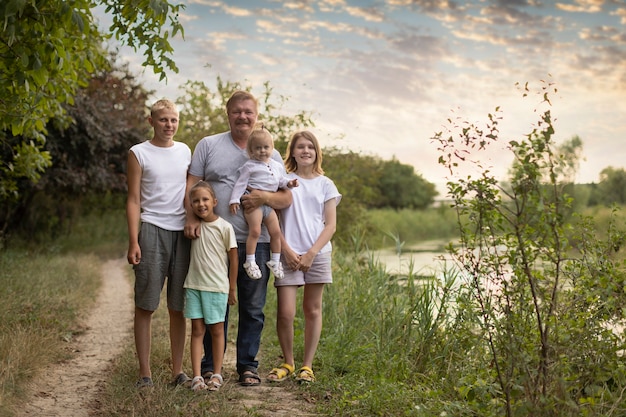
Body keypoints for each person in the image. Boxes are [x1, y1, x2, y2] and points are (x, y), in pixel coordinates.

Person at [184, 90, 293, 387]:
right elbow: (192, 183)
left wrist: (262, 197)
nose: (243, 116)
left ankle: (247, 366)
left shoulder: (270, 152)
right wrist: (192, 217)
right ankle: (209, 365)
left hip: (256, 244)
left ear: (256, 116)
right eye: (237, 111)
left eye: (249, 111)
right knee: (214, 304)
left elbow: (285, 198)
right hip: (214, 241)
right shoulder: (209, 145)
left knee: (253, 307)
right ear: (228, 113)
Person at [126, 99, 192, 388]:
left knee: (178, 307)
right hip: (151, 229)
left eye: (174, 120)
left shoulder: (185, 151)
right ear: (152, 121)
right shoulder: (138, 153)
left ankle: (178, 371)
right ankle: (145, 373)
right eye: (164, 120)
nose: (169, 125)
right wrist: (133, 240)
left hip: (182, 233)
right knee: (146, 304)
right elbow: (133, 199)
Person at [266, 131, 341, 384]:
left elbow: (330, 225)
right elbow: (272, 220)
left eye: (310, 147)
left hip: (317, 254)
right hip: (287, 253)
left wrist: (311, 253)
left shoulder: (326, 184)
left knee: (312, 309)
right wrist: (285, 250)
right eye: (300, 147)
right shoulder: (284, 180)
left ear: (317, 152)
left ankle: (307, 366)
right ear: (293, 152)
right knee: (286, 312)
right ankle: (288, 362)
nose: (306, 151)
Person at [184, 181, 238, 392]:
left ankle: (216, 373)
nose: (201, 204)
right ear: (191, 204)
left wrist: (232, 288)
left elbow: (234, 260)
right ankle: (197, 376)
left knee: (217, 330)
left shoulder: (225, 227)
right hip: (194, 285)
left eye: (205, 199)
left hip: (216, 287)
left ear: (214, 202)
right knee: (197, 330)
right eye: (195, 200)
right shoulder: (192, 226)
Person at [229, 124, 298, 280]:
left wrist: (290, 184)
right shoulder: (249, 166)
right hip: (253, 205)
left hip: (268, 206)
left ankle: (274, 261)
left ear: (272, 148)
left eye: (266, 147)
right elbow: (240, 184)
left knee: (275, 232)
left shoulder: (277, 166)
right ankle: (250, 261)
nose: (262, 151)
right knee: (255, 232)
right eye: (258, 148)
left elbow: (281, 181)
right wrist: (234, 200)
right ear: (251, 151)